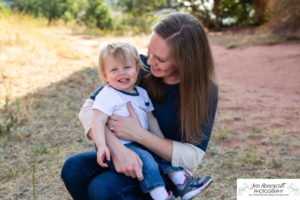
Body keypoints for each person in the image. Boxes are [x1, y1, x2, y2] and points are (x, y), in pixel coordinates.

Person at [61, 12, 218, 200]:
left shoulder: (204, 91)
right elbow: (89, 109)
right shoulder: (137, 69)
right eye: (149, 52)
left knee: (103, 189)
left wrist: (138, 134)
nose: (149, 61)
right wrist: (117, 149)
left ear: (184, 61)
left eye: (159, 59)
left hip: (166, 168)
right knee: (73, 168)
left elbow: (192, 156)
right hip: (127, 149)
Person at [91, 41, 212, 200]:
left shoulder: (141, 93)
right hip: (123, 146)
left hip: (140, 141)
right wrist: (101, 145)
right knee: (147, 161)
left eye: (127, 67)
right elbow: (97, 121)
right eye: (114, 69)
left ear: (137, 68)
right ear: (105, 75)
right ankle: (160, 196)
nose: (122, 73)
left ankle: (183, 184)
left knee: (160, 151)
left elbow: (151, 119)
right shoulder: (107, 95)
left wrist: (159, 140)